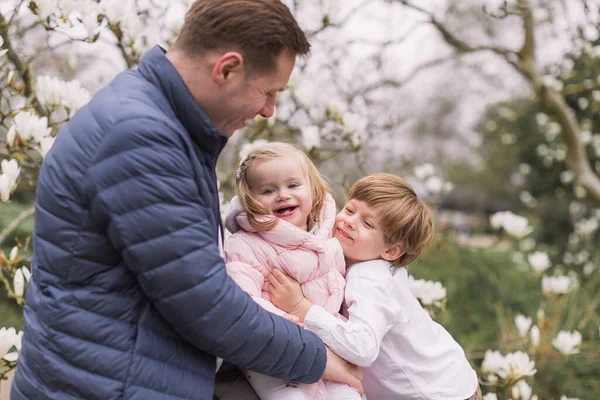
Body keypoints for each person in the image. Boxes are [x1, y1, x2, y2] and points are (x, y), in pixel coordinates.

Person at [10, 1, 361, 399]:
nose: (269, 110)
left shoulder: (161, 123)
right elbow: (206, 304)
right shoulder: (140, 138)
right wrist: (319, 357)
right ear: (226, 68)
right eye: (267, 92)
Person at [267, 173, 482, 400]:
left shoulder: (368, 278)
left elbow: (362, 347)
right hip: (451, 379)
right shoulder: (350, 265)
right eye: (350, 210)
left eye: (367, 223)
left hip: (438, 393)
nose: (350, 221)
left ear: (390, 251)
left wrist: (302, 307)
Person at [223, 142, 361, 399]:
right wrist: (290, 324)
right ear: (250, 200)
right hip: (277, 357)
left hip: (328, 346)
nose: (283, 195)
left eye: (293, 185)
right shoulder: (246, 244)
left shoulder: (326, 236)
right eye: (268, 190)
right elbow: (243, 299)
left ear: (313, 189)